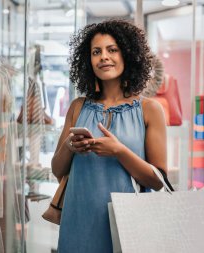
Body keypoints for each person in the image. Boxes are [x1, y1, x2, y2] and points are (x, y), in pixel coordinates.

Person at [51, 19, 167, 253]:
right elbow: (57, 169)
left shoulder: (149, 110)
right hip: (78, 221)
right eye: (96, 52)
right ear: (88, 60)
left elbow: (158, 180)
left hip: (127, 224)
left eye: (112, 49)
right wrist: (69, 146)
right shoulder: (77, 107)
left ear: (128, 55)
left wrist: (119, 151)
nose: (104, 57)